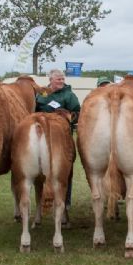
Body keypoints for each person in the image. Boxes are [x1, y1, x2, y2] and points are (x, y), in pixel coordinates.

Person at [35, 69, 81, 227]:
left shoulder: (69, 95)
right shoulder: (42, 94)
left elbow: (77, 113)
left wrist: (68, 115)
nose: (61, 81)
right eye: (58, 79)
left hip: (62, 135)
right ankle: (39, 203)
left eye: (62, 79)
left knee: (65, 170)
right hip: (40, 133)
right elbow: (34, 109)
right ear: (50, 80)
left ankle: (64, 203)